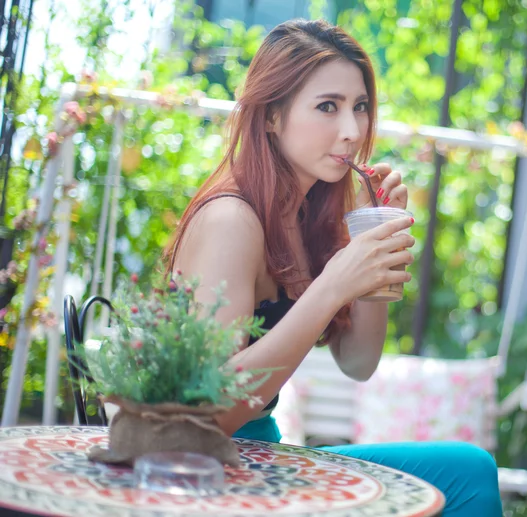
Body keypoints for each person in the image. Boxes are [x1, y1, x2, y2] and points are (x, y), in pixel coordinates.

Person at [165, 18, 502, 516]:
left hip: (262, 456)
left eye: (360, 107)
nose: (352, 131)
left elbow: (358, 362)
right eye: (328, 107)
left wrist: (373, 243)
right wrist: (332, 286)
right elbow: (208, 413)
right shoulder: (231, 220)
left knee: (469, 469)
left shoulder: (309, 217)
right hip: (207, 467)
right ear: (272, 116)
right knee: (465, 477)